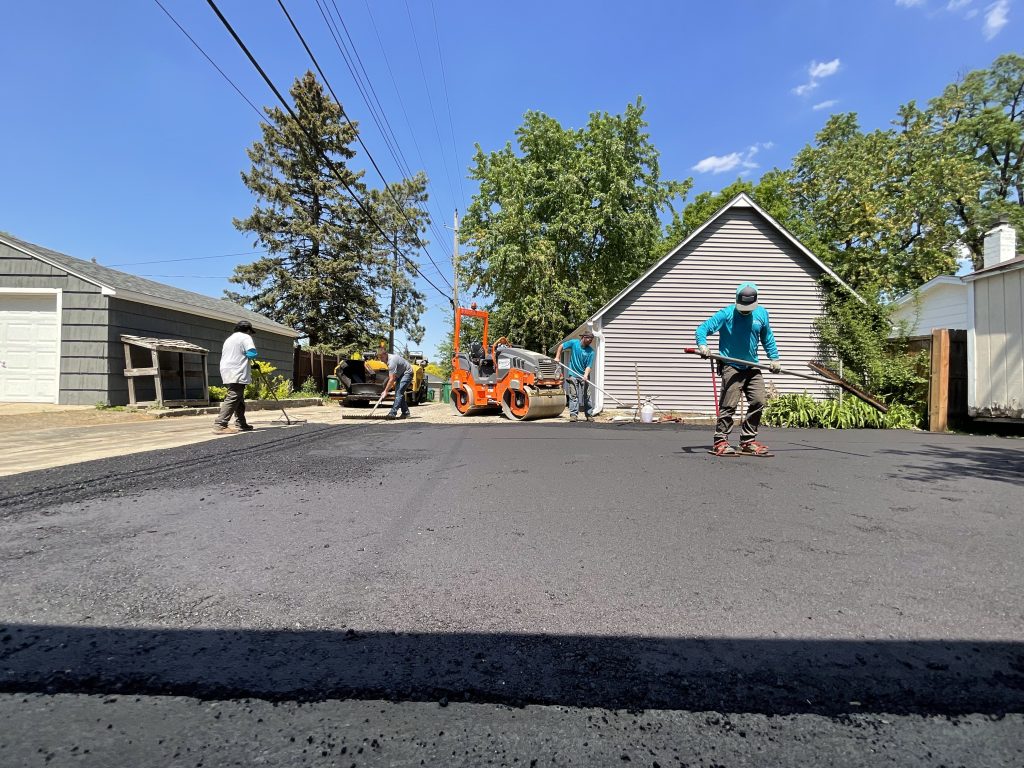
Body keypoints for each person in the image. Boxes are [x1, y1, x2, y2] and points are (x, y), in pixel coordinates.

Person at [695, 283, 781, 456]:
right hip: (731, 366)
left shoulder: (762, 313)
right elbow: (702, 328)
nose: (745, 311)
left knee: (758, 401)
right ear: (737, 300)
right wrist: (703, 345)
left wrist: (774, 358)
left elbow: (767, 337)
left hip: (752, 366)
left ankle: (747, 441)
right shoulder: (726, 313)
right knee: (729, 404)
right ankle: (720, 441)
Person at [214, 320, 258, 434]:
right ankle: (220, 424)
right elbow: (251, 353)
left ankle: (241, 423)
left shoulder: (230, 339)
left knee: (239, 397)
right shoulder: (245, 337)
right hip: (237, 371)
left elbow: (236, 355)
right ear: (247, 330)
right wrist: (253, 360)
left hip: (227, 369)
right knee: (234, 395)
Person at [557, 331, 596, 422]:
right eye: (589, 339)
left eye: (591, 340)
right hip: (573, 374)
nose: (590, 341)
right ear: (583, 337)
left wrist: (585, 375)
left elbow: (588, 366)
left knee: (587, 396)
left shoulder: (591, 351)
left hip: (584, 376)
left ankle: (589, 414)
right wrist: (557, 357)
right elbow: (561, 346)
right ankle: (573, 415)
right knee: (573, 395)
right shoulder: (574, 343)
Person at [374, 348, 412, 420]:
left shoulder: (392, 361)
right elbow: (391, 377)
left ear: (385, 354)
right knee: (399, 393)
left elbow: (391, 379)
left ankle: (392, 413)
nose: (380, 359)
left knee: (398, 393)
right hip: (400, 374)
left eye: (381, 357)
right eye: (379, 357)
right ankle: (406, 413)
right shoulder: (387, 359)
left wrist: (385, 391)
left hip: (407, 373)